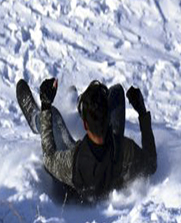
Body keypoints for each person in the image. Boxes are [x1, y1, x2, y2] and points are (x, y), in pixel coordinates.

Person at [15, 77, 157, 202]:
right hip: (112, 173)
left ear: (84, 124)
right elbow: (151, 165)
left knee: (53, 116)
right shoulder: (126, 150)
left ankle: (35, 118)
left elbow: (49, 158)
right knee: (117, 91)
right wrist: (142, 112)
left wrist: (45, 106)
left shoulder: (73, 161)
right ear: (108, 119)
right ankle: (82, 103)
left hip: (81, 189)